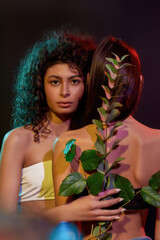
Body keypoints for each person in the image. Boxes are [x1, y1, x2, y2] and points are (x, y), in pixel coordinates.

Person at [0, 31, 124, 227]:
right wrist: (67, 212)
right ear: (40, 85)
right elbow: (5, 224)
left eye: (74, 81)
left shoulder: (96, 138)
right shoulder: (19, 140)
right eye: (55, 82)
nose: (64, 92)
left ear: (88, 84)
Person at [52, 36, 160, 239]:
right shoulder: (158, 143)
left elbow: (64, 227)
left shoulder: (69, 143)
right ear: (139, 83)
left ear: (91, 80)